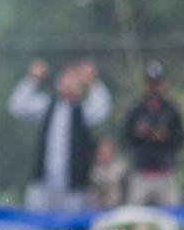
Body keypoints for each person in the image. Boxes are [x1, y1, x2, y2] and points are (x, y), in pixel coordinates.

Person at [7, 59, 112, 212]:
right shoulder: (46, 106)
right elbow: (17, 106)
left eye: (74, 79)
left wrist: (93, 82)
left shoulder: (83, 111)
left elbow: (103, 109)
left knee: (70, 222)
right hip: (43, 183)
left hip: (73, 185)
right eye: (65, 77)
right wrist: (32, 79)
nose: (69, 82)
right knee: (37, 218)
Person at [122, 60, 184, 207]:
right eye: (151, 83)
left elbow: (181, 139)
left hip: (166, 172)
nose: (154, 87)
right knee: (135, 213)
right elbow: (125, 138)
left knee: (171, 214)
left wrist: (165, 137)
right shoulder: (135, 109)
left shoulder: (172, 109)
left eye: (157, 82)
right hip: (141, 173)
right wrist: (138, 133)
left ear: (163, 84)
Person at [88, 135, 128, 209]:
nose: (104, 154)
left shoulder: (121, 168)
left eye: (106, 151)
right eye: (101, 152)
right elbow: (95, 191)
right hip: (98, 208)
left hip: (117, 207)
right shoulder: (95, 170)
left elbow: (126, 190)